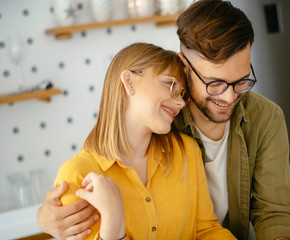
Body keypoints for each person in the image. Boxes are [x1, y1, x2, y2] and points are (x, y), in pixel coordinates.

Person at [37, 1, 290, 239]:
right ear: (185, 65)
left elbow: (272, 213)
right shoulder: (160, 121)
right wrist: (43, 219)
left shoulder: (264, 118)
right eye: (215, 83)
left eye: (241, 80)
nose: (231, 96)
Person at [47, 42, 236, 240]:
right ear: (129, 82)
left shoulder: (187, 152)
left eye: (182, 93)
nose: (180, 102)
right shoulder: (76, 175)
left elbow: (206, 230)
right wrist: (113, 220)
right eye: (170, 84)